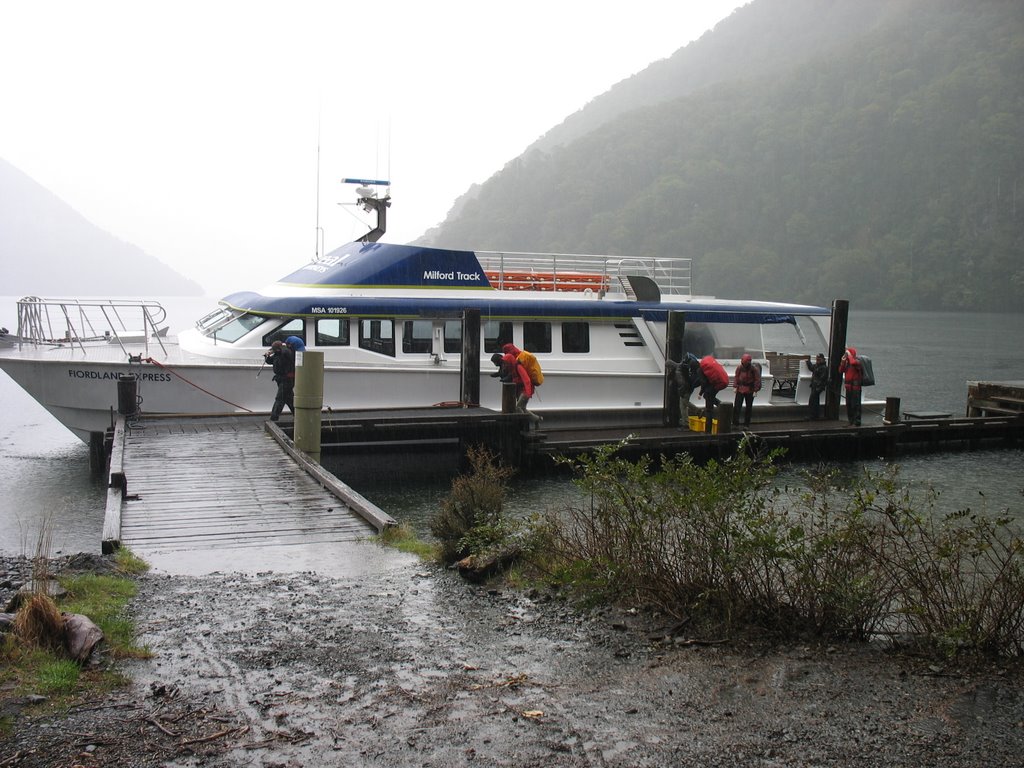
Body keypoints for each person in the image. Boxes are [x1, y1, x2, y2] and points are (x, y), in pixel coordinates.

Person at [503, 351, 541, 427]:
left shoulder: (518, 367)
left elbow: (527, 380)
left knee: (518, 408)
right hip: (521, 390)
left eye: (506, 362)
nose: (505, 365)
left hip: (526, 390)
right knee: (523, 408)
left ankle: (523, 424)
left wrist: (528, 393)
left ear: (510, 361)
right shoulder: (512, 369)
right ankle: (537, 419)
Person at [265, 340, 295, 421]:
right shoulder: (277, 354)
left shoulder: (286, 352)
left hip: (287, 379)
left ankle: (274, 418)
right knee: (289, 399)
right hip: (281, 379)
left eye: (274, 350)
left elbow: (286, 352)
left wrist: (280, 349)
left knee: (280, 399)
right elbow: (270, 361)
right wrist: (266, 356)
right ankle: (298, 415)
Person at [668, 352, 701, 427]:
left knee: (684, 403)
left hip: (686, 389)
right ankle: (685, 423)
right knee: (683, 406)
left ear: (670, 367)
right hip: (689, 387)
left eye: (668, 368)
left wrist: (681, 392)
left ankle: (697, 411)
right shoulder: (681, 365)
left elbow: (682, 383)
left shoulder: (677, 371)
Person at [698, 354, 729, 433]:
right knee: (708, 396)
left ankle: (708, 431)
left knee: (709, 408)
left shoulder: (700, 369)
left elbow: (703, 382)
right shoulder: (710, 363)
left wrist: (700, 393)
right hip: (724, 381)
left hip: (716, 384)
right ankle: (722, 406)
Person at [732, 353, 761, 427]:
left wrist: (755, 390)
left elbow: (757, 379)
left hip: (750, 390)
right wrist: (735, 386)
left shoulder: (753, 369)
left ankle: (746, 425)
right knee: (737, 407)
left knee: (748, 408)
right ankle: (735, 423)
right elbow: (736, 377)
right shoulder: (739, 368)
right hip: (740, 389)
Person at [839, 347, 864, 426]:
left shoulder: (857, 362)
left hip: (855, 387)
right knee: (849, 405)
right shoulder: (847, 364)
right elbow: (840, 370)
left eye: (847, 353)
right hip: (848, 387)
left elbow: (853, 363)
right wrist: (843, 362)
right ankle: (851, 421)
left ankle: (857, 421)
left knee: (855, 405)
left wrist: (849, 355)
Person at [806, 353, 829, 420]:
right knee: (815, 401)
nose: (817, 360)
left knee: (812, 400)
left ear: (822, 359)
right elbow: (811, 368)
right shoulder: (817, 366)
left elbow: (823, 379)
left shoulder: (824, 368)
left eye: (819, 359)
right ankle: (815, 415)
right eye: (817, 359)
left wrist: (818, 386)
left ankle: (812, 415)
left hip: (818, 387)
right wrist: (808, 362)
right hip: (815, 385)